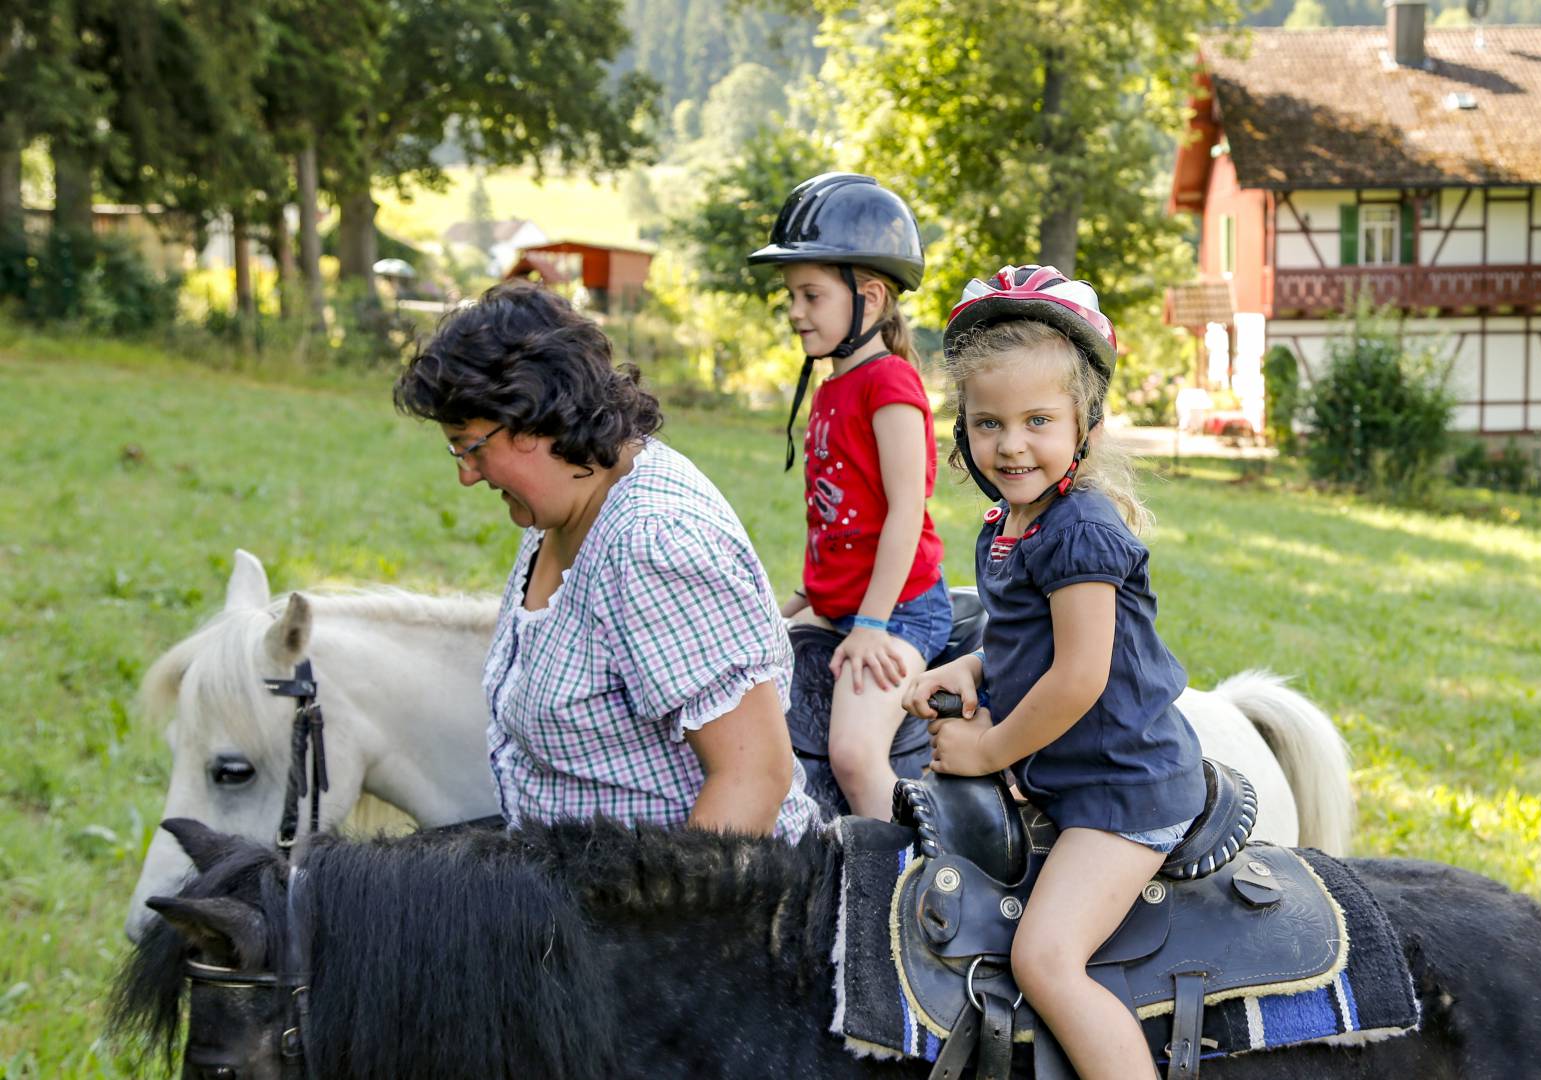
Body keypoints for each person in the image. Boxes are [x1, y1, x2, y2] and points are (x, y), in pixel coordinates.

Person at [903, 266, 1203, 1079]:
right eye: (989, 422)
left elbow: (1079, 677)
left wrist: (988, 748)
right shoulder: (1008, 524)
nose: (1011, 444)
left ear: (1085, 424)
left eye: (1039, 420)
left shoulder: (1080, 533)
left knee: (1045, 958)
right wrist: (974, 665)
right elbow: (1023, 638)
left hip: (1122, 787)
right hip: (1071, 774)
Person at [393, 280, 819, 841]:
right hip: (578, 895)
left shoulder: (652, 543)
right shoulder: (566, 501)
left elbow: (752, 778)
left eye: (471, 447)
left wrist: (658, 922)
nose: (466, 474)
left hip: (678, 909)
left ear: (535, 415)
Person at [747, 172, 950, 818]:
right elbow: (835, 509)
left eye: (810, 294)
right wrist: (808, 593)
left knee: (855, 756)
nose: (795, 311)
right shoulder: (833, 386)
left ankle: (910, 882)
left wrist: (869, 625)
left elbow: (903, 514)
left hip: (897, 610)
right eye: (791, 295)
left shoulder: (889, 385)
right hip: (840, 604)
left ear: (869, 297)